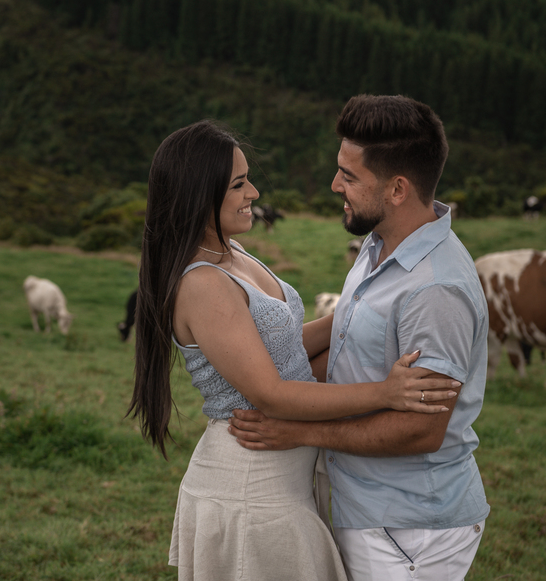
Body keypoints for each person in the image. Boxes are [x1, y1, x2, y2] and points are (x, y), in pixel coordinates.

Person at [127, 119, 460, 581]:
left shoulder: (234, 253)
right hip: (252, 485)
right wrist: (385, 393)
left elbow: (280, 346)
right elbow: (272, 393)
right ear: (198, 194)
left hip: (281, 481)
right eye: (240, 185)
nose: (255, 194)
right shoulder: (202, 283)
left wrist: (365, 315)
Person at [229, 95, 491, 581]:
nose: (335, 186)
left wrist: (300, 431)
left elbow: (422, 429)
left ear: (396, 189)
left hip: (410, 529)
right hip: (369, 511)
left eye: (349, 176)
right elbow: (347, 348)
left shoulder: (436, 289)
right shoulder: (378, 245)